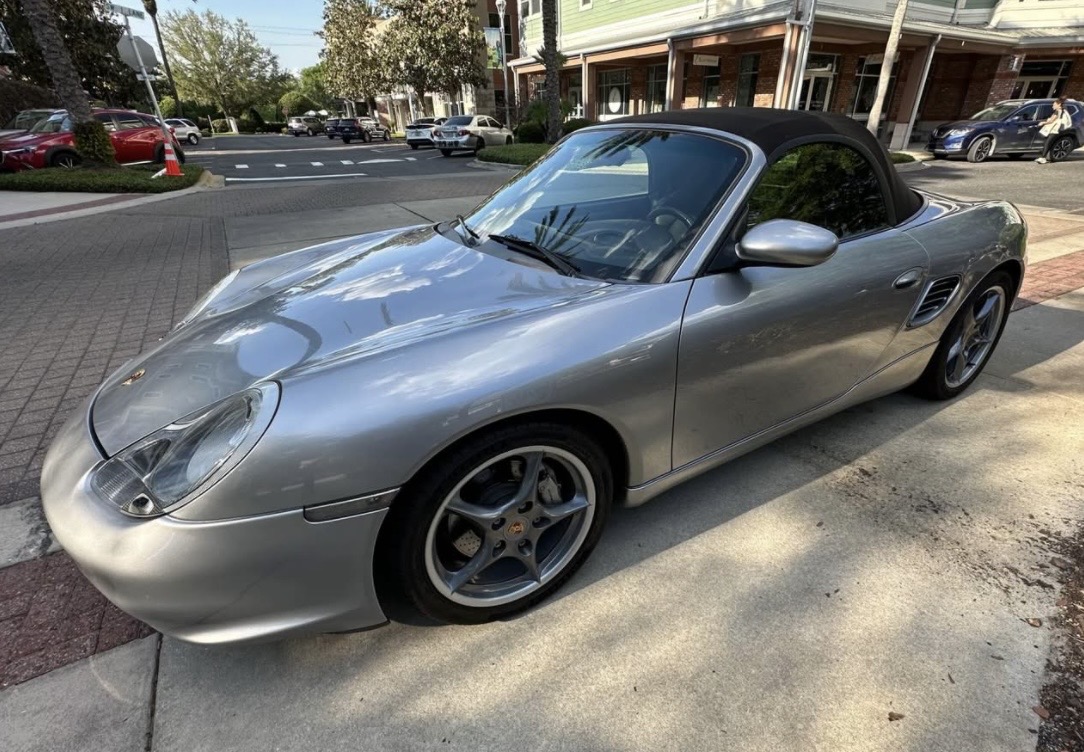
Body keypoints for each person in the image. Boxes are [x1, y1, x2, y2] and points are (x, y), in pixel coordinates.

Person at [1036, 96, 1073, 164]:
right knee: (1049, 143)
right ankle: (1044, 157)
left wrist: (1043, 123)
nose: (1053, 105)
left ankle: (1043, 158)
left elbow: (1051, 121)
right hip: (1057, 130)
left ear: (1059, 105)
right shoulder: (1063, 110)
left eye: (1054, 104)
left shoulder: (1058, 111)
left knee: (1047, 143)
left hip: (1054, 130)